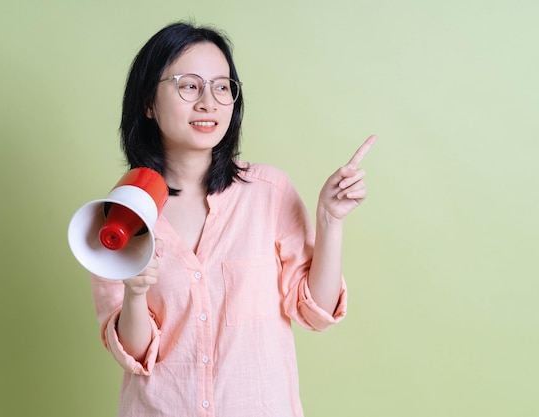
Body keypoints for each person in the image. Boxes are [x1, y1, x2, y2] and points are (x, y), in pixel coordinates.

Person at [90, 21, 376, 417]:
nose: (208, 102)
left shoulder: (268, 192)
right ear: (148, 103)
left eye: (222, 86)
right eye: (188, 85)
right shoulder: (117, 217)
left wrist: (330, 220)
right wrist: (135, 292)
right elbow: (135, 355)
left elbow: (316, 311)